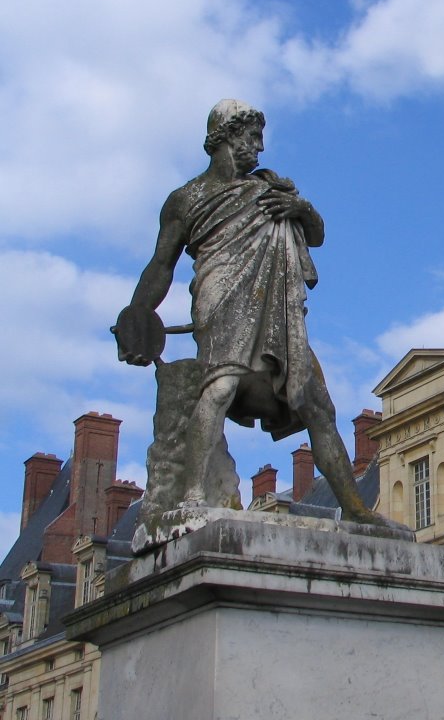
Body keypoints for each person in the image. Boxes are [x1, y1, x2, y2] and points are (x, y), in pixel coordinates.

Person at [119, 99, 377, 523]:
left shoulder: (268, 188)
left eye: (259, 138)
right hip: (220, 299)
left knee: (318, 406)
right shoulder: (185, 199)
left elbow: (317, 234)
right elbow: (161, 264)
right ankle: (192, 497)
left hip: (276, 308)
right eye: (250, 137)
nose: (258, 147)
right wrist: (139, 313)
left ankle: (355, 509)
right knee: (219, 390)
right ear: (224, 137)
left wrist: (302, 209)